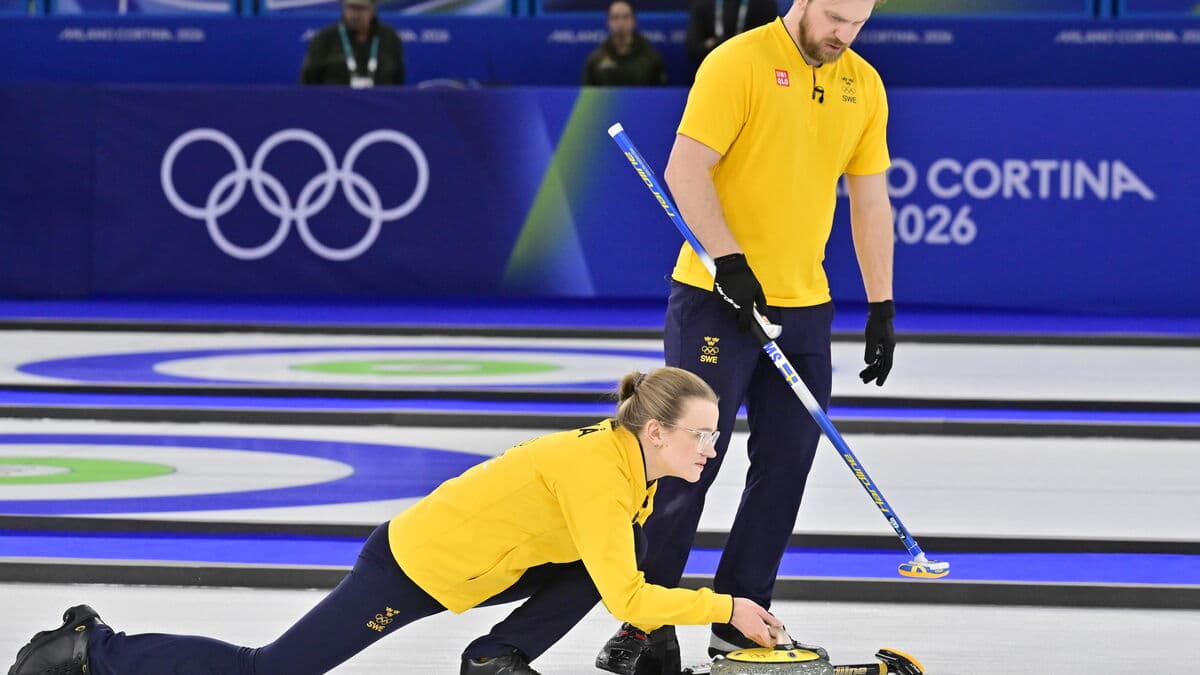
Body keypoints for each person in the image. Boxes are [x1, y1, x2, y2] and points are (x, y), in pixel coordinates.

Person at [7, 368, 784, 675]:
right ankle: (89, 650)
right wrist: (729, 606)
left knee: (612, 559)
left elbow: (614, 577)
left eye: (715, 434)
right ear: (656, 432)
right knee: (269, 670)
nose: (712, 447)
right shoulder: (601, 477)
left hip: (483, 566)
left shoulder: (628, 466)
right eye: (702, 434)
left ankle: (495, 657)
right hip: (413, 566)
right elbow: (629, 601)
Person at [595, 0, 896, 673]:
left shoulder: (864, 84)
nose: (844, 35)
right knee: (687, 461)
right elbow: (684, 171)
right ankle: (645, 623)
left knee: (787, 465)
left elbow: (870, 197)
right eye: (837, 18)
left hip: (804, 306)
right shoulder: (737, 62)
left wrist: (882, 304)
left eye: (859, 23)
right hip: (715, 298)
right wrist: (729, 261)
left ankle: (741, 617)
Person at [300, 0, 404, 88]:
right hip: (334, 104)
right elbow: (309, 81)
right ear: (343, 8)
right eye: (351, 8)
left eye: (361, 9)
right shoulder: (324, 38)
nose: (355, 14)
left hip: (380, 105)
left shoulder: (390, 38)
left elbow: (398, 79)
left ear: (373, 10)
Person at [582, 0, 668, 87]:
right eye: (615, 18)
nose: (620, 23)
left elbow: (661, 94)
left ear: (634, 21)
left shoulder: (651, 57)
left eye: (625, 17)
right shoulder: (596, 59)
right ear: (608, 22)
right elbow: (587, 94)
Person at [685, 0, 778, 74]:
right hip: (712, 71)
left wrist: (713, 43)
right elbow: (694, 49)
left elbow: (765, 48)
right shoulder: (702, 4)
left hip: (751, 73)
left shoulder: (764, 4)